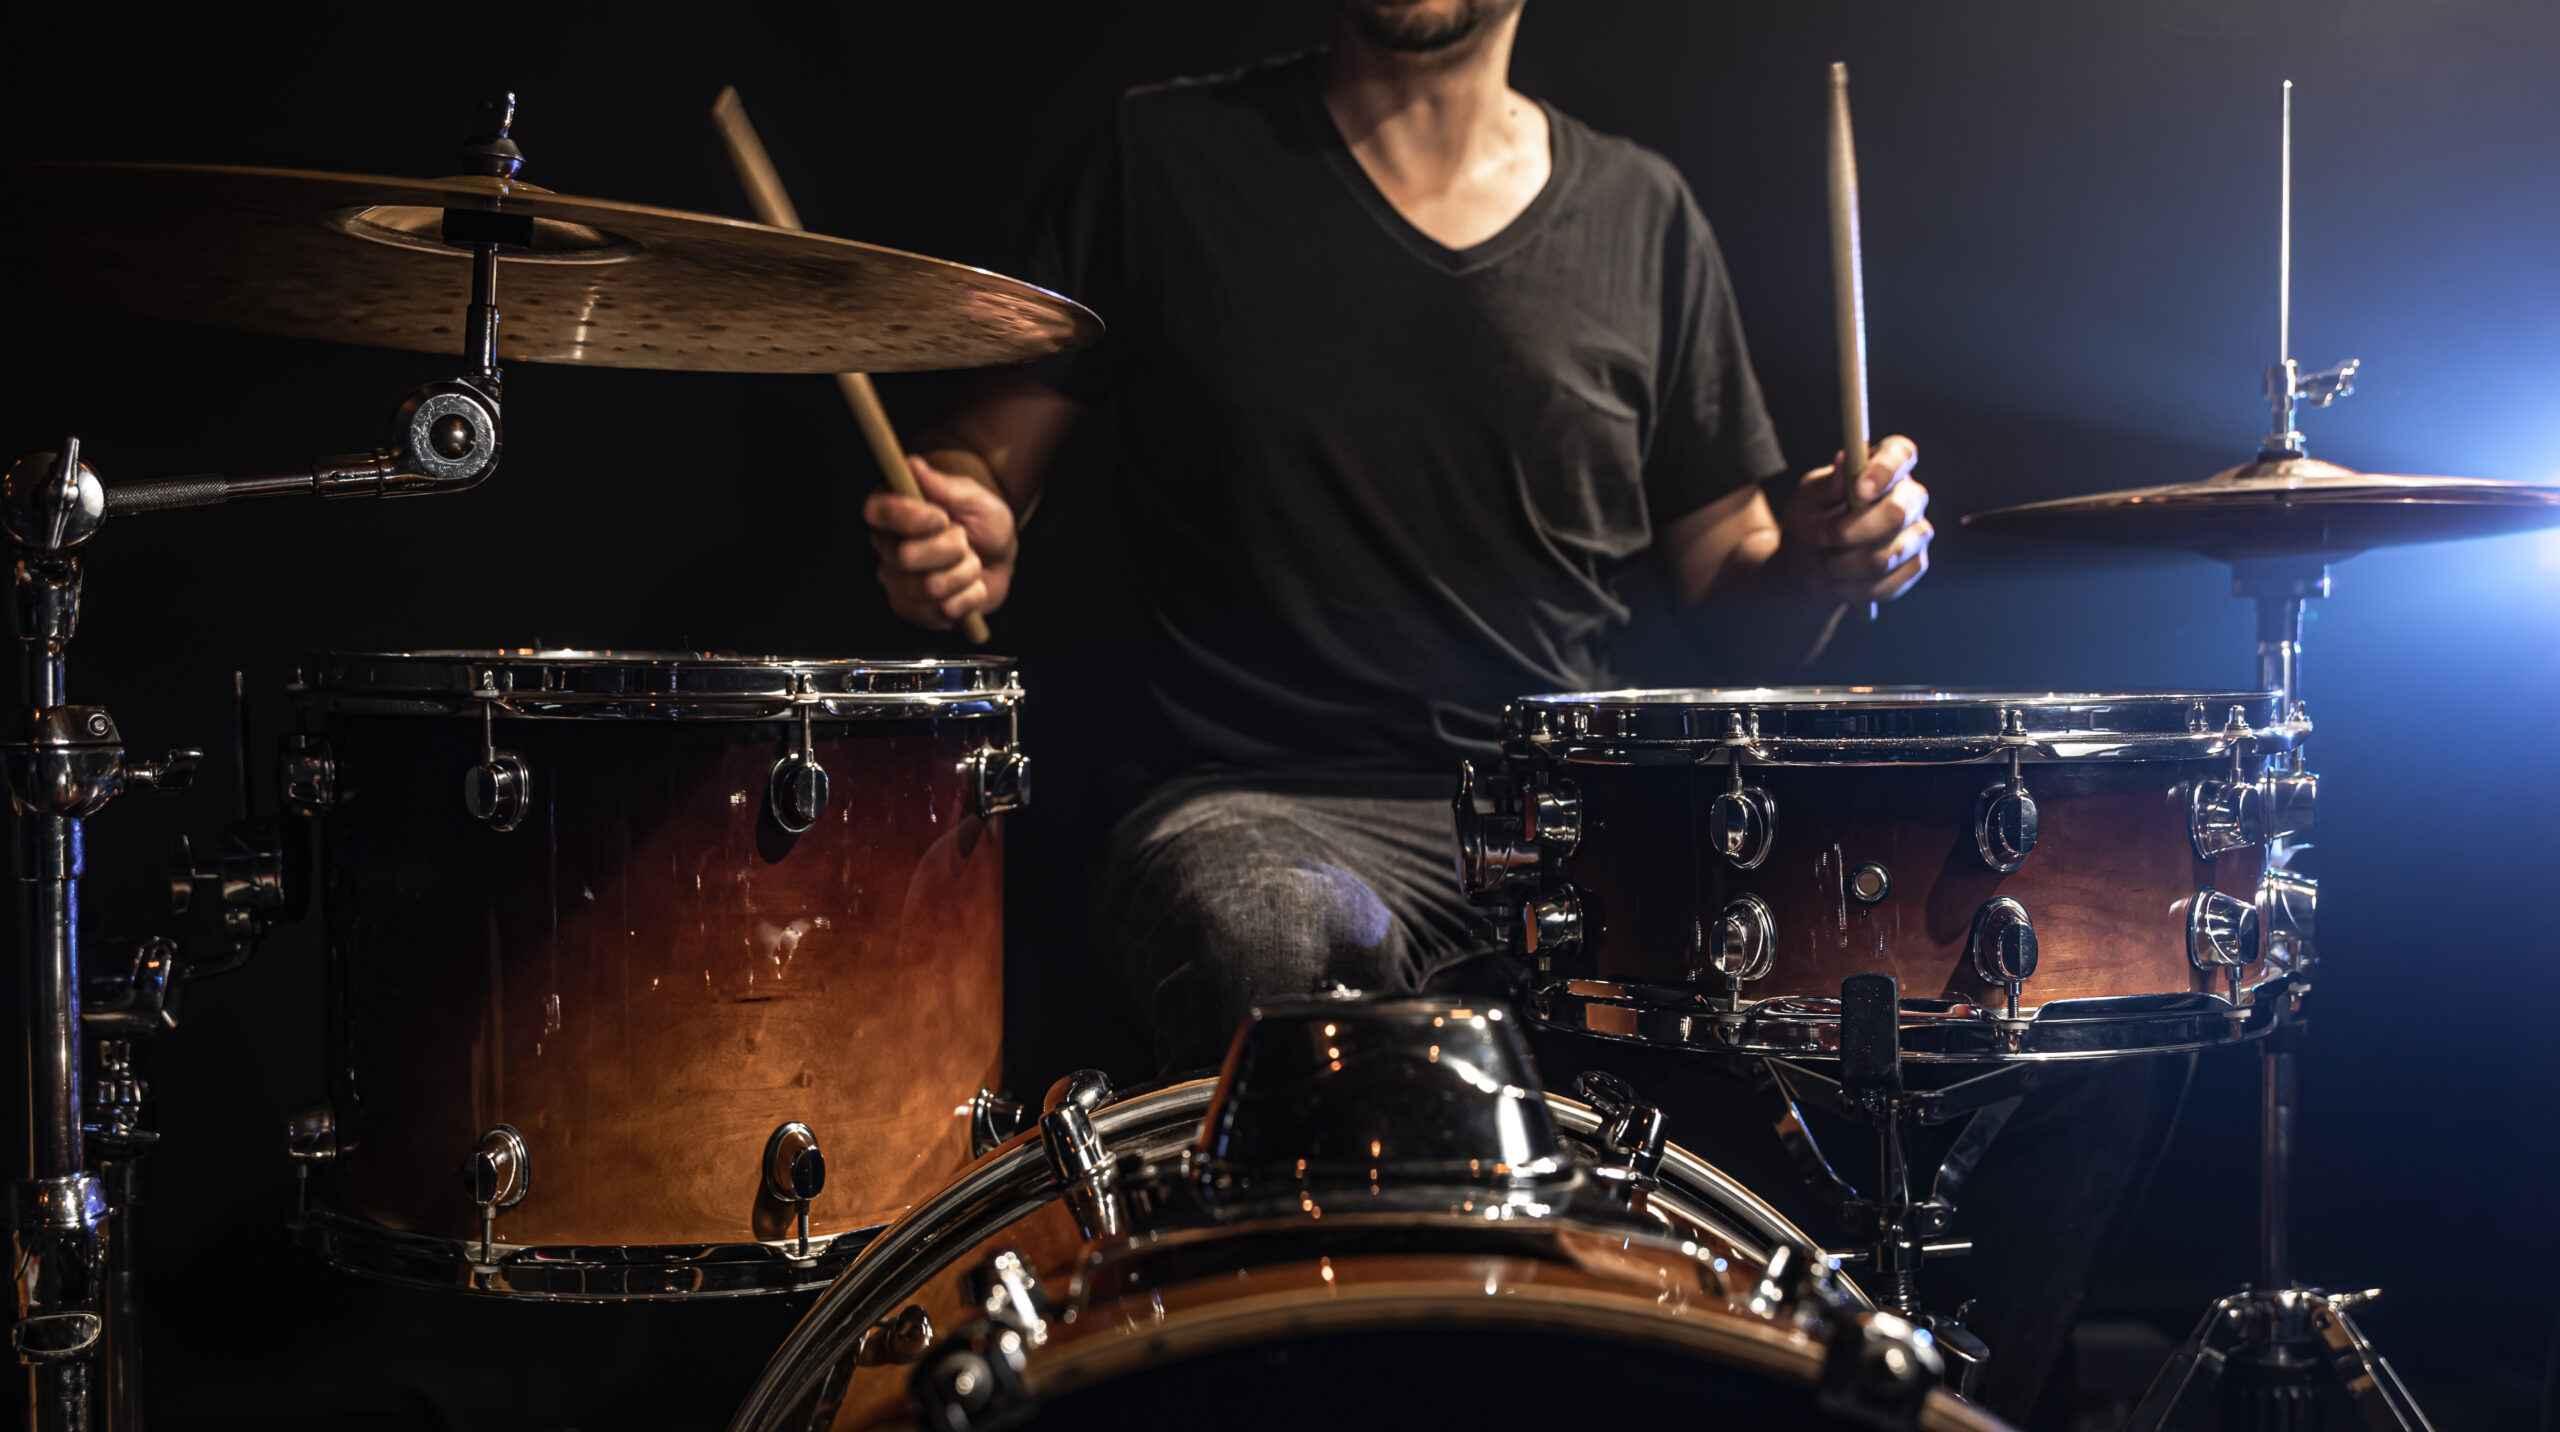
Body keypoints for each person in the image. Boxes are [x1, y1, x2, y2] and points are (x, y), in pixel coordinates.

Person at [867, 0, 1929, 1069]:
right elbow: (985, 462)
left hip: (1561, 823)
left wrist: (1817, 564)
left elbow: (1737, 596)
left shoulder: (1643, 213)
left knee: (1829, 975)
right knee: (1278, 932)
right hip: (1249, 806)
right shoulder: (1158, 157)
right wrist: (968, 511)